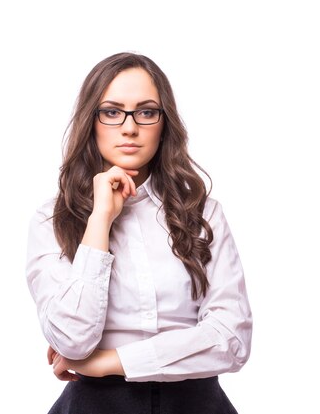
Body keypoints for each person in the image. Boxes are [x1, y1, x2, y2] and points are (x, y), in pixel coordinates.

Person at [25, 52, 252, 414]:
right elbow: (72, 338)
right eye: (112, 112)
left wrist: (109, 362)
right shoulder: (52, 219)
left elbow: (232, 340)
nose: (129, 127)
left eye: (146, 112)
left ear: (164, 125)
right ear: (91, 121)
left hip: (197, 405)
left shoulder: (203, 213)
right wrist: (100, 218)